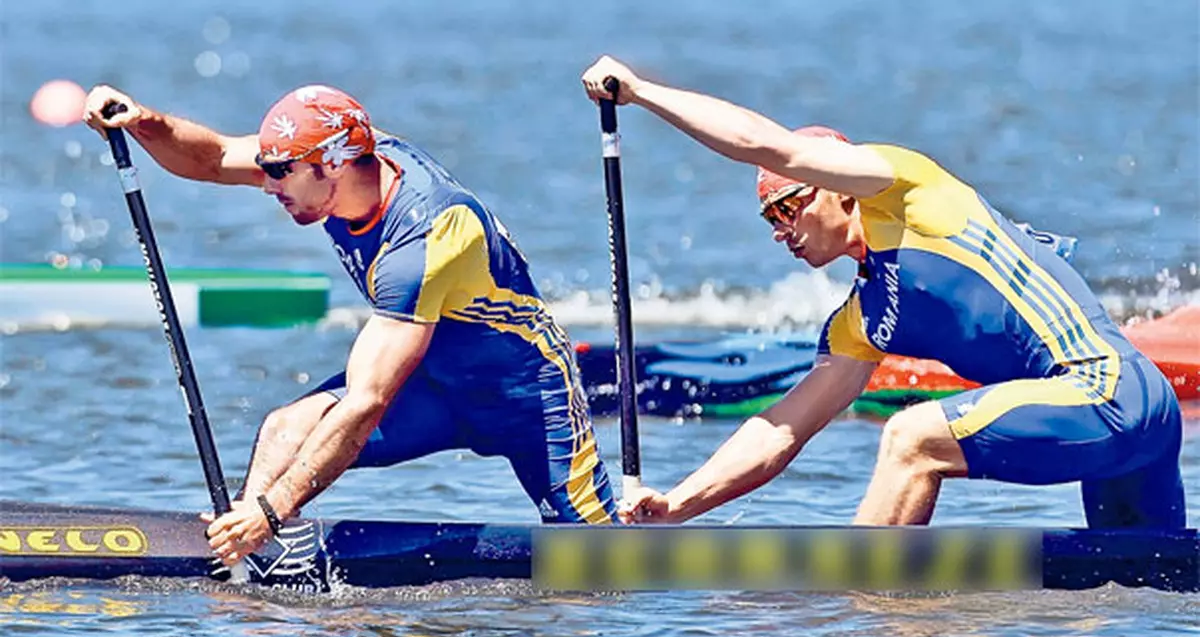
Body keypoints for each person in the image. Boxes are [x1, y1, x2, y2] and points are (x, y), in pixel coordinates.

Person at [579, 56, 1185, 529]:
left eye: (788, 207)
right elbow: (782, 429)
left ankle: (862, 620)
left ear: (837, 188)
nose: (780, 231)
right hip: (1124, 430)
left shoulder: (908, 191)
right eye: (768, 220)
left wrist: (640, 92)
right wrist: (679, 505)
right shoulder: (862, 320)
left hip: (1109, 390)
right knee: (1137, 600)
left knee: (910, 437)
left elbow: (773, 147)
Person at [83, 84, 617, 567]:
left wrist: (276, 508)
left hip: (527, 398)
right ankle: (240, 558)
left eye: (278, 173)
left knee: (604, 565)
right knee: (284, 430)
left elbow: (367, 402)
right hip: (431, 386)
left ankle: (258, 526)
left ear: (331, 165)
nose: (267, 186)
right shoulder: (336, 155)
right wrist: (142, 121)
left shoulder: (429, 232)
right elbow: (217, 156)